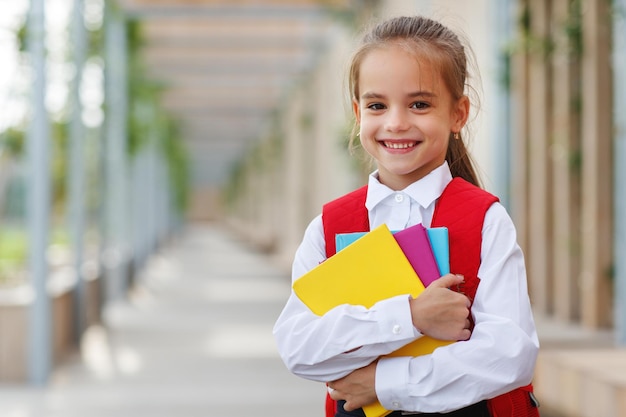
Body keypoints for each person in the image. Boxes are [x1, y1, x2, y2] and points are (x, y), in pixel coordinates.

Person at [273, 15, 540, 417]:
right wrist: (410, 317)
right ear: (358, 113)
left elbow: (509, 355)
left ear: (458, 114)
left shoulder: (485, 219)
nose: (396, 122)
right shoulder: (329, 227)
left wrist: (383, 383)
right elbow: (300, 348)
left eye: (419, 104)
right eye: (377, 105)